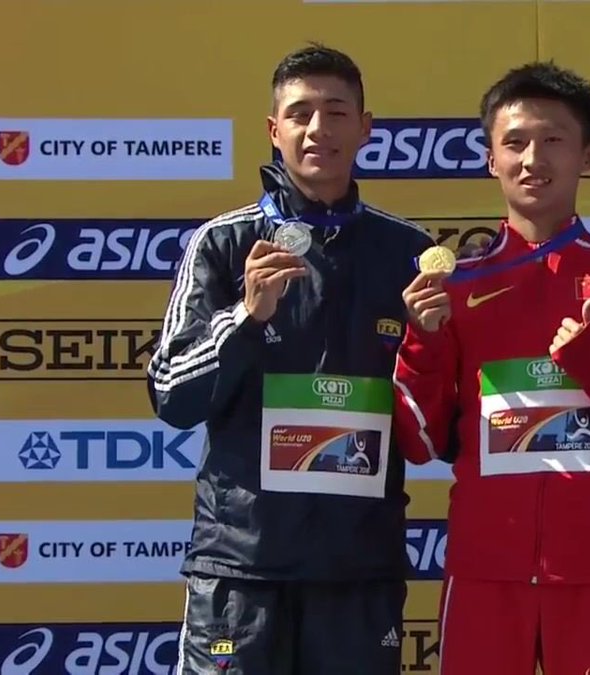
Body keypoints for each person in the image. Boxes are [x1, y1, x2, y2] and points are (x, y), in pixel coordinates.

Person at [392, 62, 590, 675]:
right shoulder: (455, 285)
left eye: (553, 140)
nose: (534, 158)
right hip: (484, 571)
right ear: (490, 159)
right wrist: (422, 343)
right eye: (515, 142)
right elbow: (419, 443)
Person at [147, 43, 434, 675]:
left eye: (336, 112)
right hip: (242, 569)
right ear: (274, 131)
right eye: (300, 113)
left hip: (358, 570)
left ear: (365, 127)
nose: (318, 129)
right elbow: (171, 395)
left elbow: (435, 426)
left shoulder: (408, 252)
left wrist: (432, 343)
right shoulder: (223, 244)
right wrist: (246, 319)